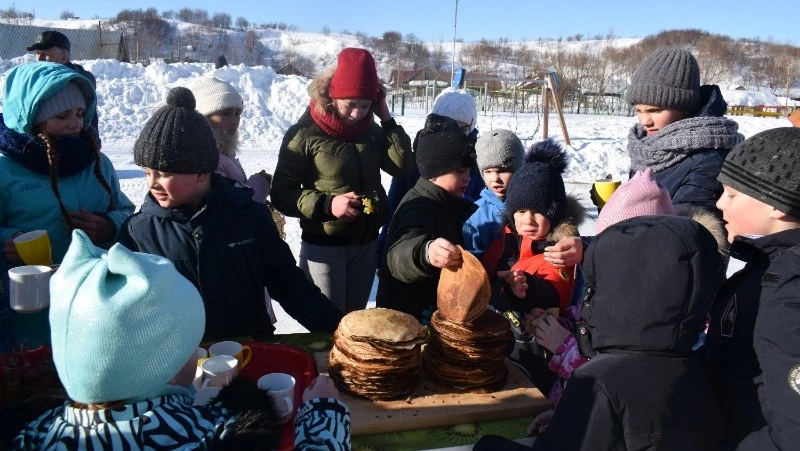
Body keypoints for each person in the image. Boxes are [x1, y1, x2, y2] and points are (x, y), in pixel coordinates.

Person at [14, 230, 351, 449]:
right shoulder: (199, 438)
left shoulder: (35, 434)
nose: (198, 352)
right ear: (163, 367)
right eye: (190, 345)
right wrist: (323, 414)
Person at [476, 215, 724, 450]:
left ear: (618, 288)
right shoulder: (694, 364)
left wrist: (485, 447)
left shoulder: (601, 382)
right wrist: (569, 420)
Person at [116, 86, 342, 340]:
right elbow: (126, 308)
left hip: (249, 348)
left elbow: (288, 283)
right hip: (180, 360)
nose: (152, 183)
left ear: (202, 173)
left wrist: (339, 328)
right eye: (147, 172)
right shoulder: (137, 232)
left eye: (165, 174)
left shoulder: (248, 216)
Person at [0, 62, 134, 349]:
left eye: (79, 113)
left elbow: (127, 211)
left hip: (93, 297)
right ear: (31, 117)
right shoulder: (5, 169)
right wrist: (5, 242)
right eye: (62, 116)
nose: (75, 123)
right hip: (32, 307)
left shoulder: (96, 162)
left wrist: (109, 225)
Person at [271, 47, 411, 314]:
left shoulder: (372, 130)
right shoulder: (304, 133)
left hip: (366, 244)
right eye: (350, 105)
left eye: (365, 105)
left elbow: (402, 167)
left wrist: (387, 119)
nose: (358, 113)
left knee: (354, 323)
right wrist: (327, 205)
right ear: (333, 97)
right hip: (324, 246)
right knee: (327, 323)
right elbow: (281, 193)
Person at [704, 127, 800, 450]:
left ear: (777, 204)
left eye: (732, 194)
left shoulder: (788, 294)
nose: (719, 203)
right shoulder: (768, 267)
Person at [480, 139, 584, 393]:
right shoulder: (506, 238)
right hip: (501, 343)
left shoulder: (559, 250)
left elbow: (554, 290)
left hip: (536, 356)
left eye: (538, 212)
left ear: (554, 213)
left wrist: (526, 288)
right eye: (520, 211)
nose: (528, 220)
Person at [375, 117, 477, 323]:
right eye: (459, 171)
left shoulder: (452, 203)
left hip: (432, 312)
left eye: (469, 171)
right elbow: (398, 255)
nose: (468, 178)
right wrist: (425, 252)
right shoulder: (417, 207)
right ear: (435, 171)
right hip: (406, 319)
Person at [379, 88, 482, 265]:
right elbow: (393, 210)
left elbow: (482, 211)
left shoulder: (477, 161)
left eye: (463, 128)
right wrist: (382, 254)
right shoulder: (415, 160)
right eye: (450, 126)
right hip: (415, 253)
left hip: (459, 256)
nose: (456, 134)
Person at [27, 30, 100, 146]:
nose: (39, 59)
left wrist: (92, 145)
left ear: (64, 58)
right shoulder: (35, 77)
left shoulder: (79, 82)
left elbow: (89, 122)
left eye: (46, 54)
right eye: (37, 53)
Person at [462, 129, 525, 258]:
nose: (495, 179)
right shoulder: (477, 218)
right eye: (488, 171)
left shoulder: (537, 203)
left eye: (503, 170)